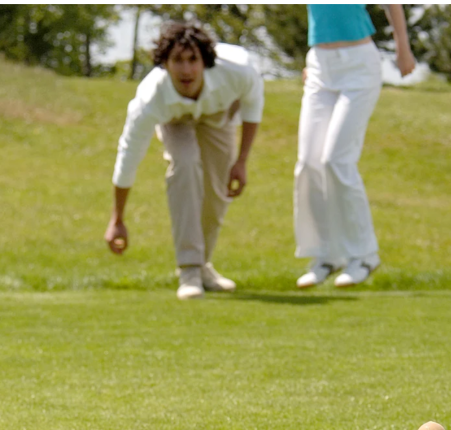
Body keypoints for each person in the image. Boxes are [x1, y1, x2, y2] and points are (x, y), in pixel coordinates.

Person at [104, 22, 264, 300]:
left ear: (205, 62)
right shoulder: (150, 97)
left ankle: (203, 265)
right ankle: (189, 269)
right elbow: (128, 154)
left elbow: (252, 106)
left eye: (193, 60)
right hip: (173, 119)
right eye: (177, 60)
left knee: (217, 190)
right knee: (186, 164)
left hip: (218, 113)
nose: (186, 70)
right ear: (164, 64)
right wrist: (117, 218)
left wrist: (241, 161)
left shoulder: (238, 71)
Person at [294, 5, 415, 288]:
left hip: (359, 65)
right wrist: (313, 61)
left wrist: (403, 49)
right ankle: (326, 256)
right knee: (309, 162)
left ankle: (363, 255)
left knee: (336, 160)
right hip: (319, 66)